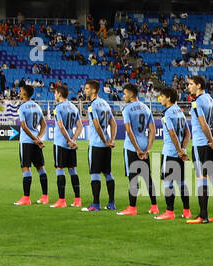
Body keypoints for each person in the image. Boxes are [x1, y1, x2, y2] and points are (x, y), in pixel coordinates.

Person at [186, 75, 213, 223]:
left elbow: (203, 125)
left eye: (191, 84)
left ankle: (203, 215)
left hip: (201, 144)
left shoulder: (196, 103)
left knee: (201, 178)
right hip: (208, 145)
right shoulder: (210, 99)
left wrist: (210, 141)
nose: (189, 87)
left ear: (199, 86)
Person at [117, 83, 158, 216]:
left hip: (131, 147)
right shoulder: (146, 108)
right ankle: (155, 206)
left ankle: (132, 207)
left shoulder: (127, 109)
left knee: (133, 178)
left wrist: (137, 149)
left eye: (125, 93)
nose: (123, 96)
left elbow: (129, 130)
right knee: (147, 178)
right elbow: (153, 130)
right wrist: (147, 149)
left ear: (131, 94)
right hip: (144, 144)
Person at [155, 85, 191, 220]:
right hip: (180, 153)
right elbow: (188, 132)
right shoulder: (180, 111)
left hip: (170, 152)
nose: (160, 99)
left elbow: (172, 133)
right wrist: (182, 150)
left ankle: (169, 212)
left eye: (162, 97)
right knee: (182, 182)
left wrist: (178, 150)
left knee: (167, 182)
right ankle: (187, 211)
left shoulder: (167, 113)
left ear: (168, 98)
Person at [81, 79, 116, 211]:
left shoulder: (92, 105)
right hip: (107, 146)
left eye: (87, 88)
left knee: (94, 173)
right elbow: (113, 123)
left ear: (94, 90)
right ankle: (111, 203)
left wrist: (104, 140)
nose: (85, 91)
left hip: (97, 144)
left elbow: (96, 125)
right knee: (108, 173)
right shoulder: (105, 104)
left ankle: (96, 204)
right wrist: (111, 140)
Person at [13, 84, 49, 206]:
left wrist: (34, 138)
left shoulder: (22, 108)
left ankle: (26, 198)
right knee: (40, 168)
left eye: (21, 90)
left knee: (25, 167)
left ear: (24, 93)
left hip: (27, 141)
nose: (19, 91)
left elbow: (23, 126)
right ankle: (45, 196)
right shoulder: (37, 106)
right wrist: (39, 138)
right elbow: (44, 125)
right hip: (35, 142)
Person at [50, 83, 82, 209]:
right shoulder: (74, 108)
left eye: (55, 93)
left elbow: (61, 126)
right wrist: (73, 140)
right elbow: (80, 126)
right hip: (70, 145)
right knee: (73, 170)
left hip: (61, 143)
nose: (54, 95)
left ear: (59, 94)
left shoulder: (58, 108)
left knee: (59, 169)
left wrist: (68, 140)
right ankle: (77, 199)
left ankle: (61, 200)